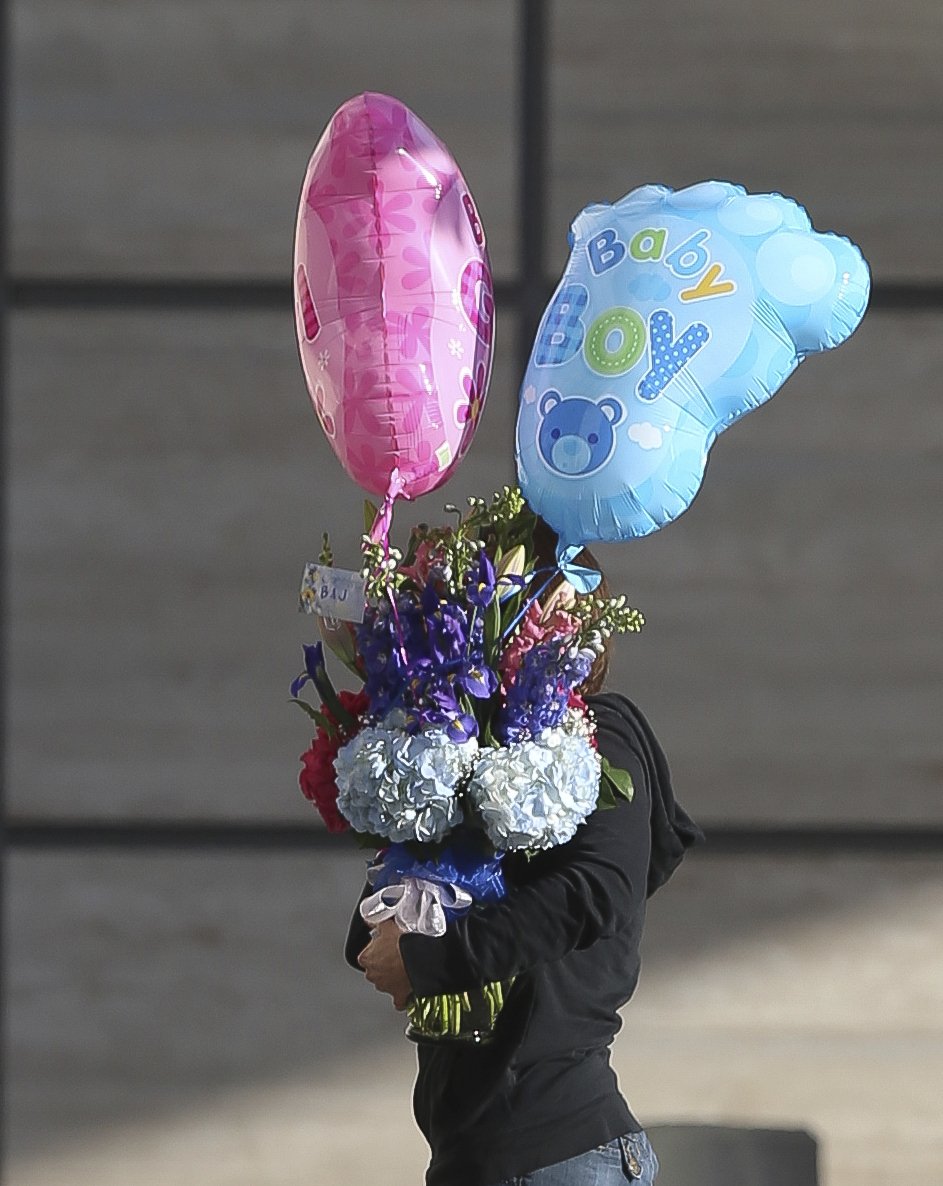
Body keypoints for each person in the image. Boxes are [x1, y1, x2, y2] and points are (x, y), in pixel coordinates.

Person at [346, 526, 702, 1186]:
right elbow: (373, 942)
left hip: (556, 1148)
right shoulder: (463, 746)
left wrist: (430, 957)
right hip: (473, 1152)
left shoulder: (601, 732)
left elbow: (597, 890)